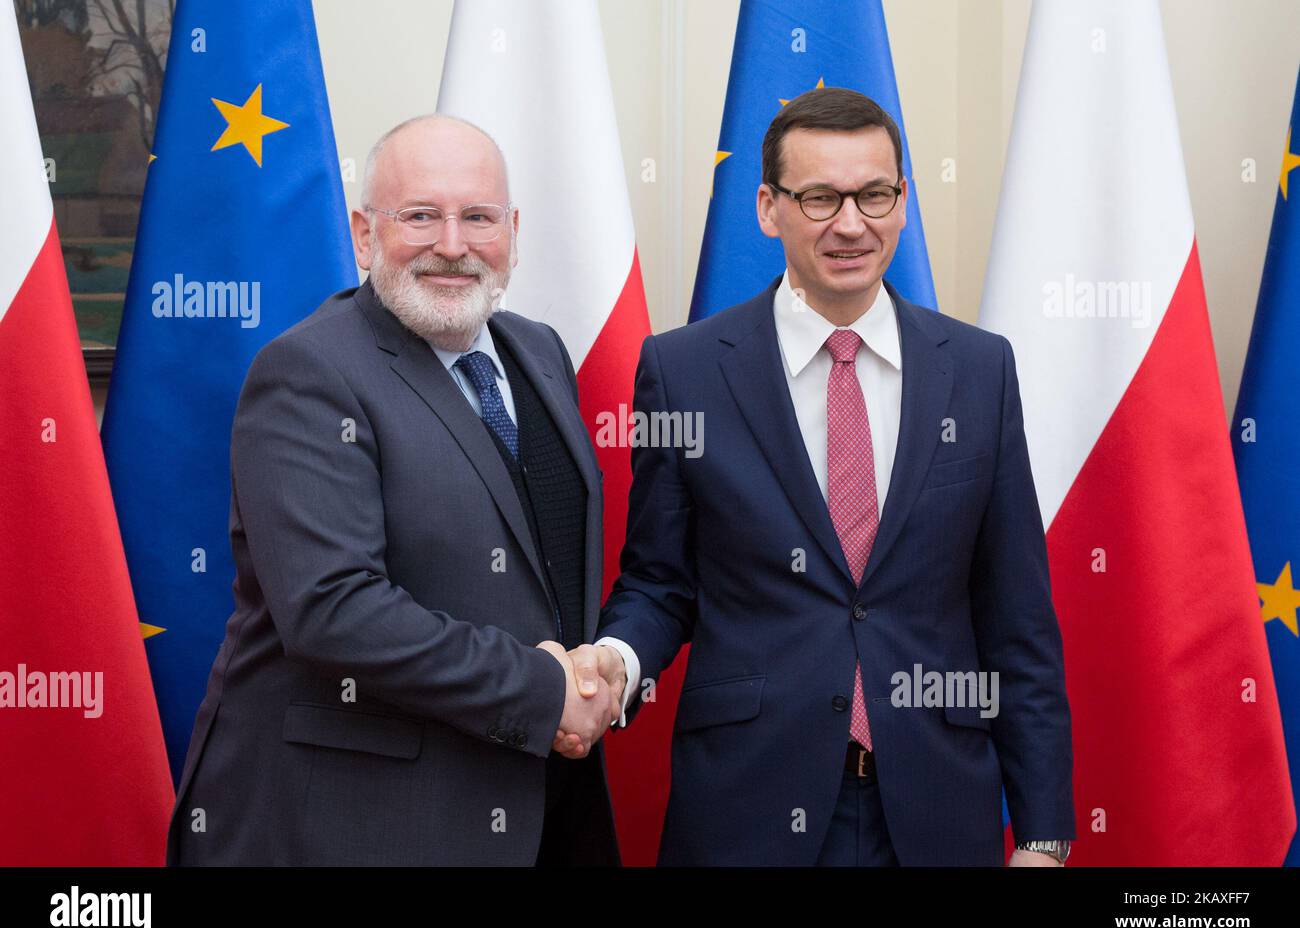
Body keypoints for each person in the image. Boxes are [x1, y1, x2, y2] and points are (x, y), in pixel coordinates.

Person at [585, 87, 1076, 865]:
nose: (852, 224)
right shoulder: (683, 373)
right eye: (819, 197)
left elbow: (1016, 617)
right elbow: (659, 582)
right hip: (745, 810)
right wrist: (616, 663)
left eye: (874, 194)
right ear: (767, 208)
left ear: (903, 202)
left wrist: (1045, 832)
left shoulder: (981, 370)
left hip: (934, 811)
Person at [167, 114, 632, 866]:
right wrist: (544, 689)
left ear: (512, 232)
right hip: (360, 824)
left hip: (536, 807)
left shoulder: (539, 352)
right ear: (363, 233)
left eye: (478, 217)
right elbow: (334, 609)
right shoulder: (309, 373)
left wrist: (596, 670)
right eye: (420, 216)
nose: (452, 244)